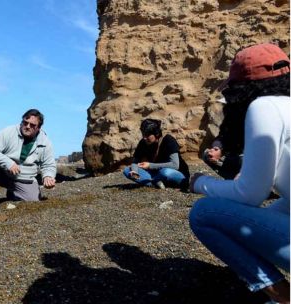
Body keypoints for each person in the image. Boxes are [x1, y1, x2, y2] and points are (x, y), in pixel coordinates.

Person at [189, 43, 290, 303]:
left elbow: (249, 195)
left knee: (204, 213)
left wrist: (200, 183)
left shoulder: (265, 106)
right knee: (255, 222)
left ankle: (282, 297)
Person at [0, 109, 57, 209]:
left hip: (24, 179)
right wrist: (8, 163)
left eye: (32, 125)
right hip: (4, 173)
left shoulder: (45, 142)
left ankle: (13, 193)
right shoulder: (9, 131)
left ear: (38, 128)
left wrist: (48, 176)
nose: (27, 126)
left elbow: (48, 164)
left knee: (33, 201)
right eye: (25, 122)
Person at [123, 118, 190, 190]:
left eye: (147, 135)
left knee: (165, 172)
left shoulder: (169, 141)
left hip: (176, 174)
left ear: (157, 134)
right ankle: (156, 183)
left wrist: (150, 165)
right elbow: (135, 162)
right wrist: (134, 171)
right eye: (143, 134)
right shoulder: (143, 142)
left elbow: (175, 165)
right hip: (157, 174)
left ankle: (153, 182)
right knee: (127, 170)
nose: (144, 138)